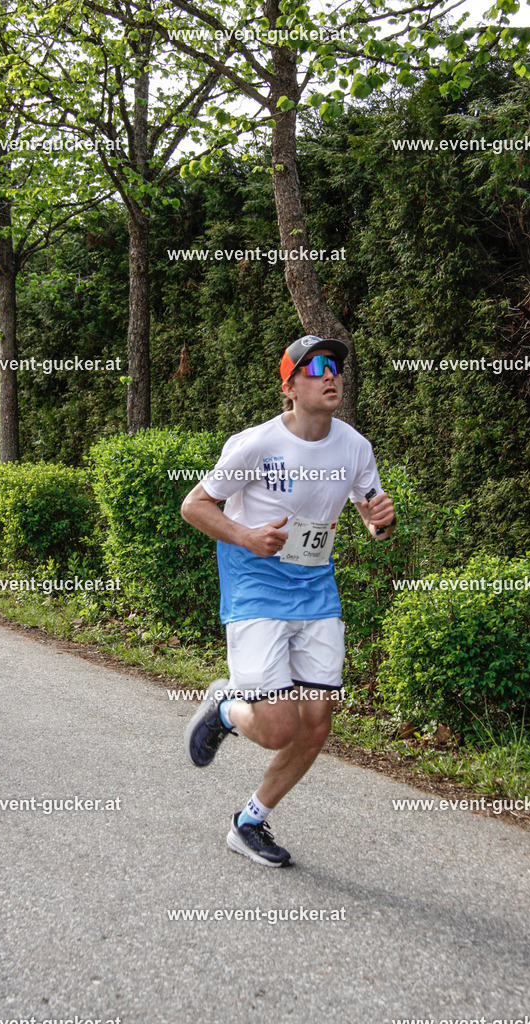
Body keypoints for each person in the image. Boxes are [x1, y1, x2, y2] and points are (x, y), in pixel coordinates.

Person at [181, 335, 395, 867]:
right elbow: (195, 506)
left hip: (314, 582)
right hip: (255, 583)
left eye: (337, 366)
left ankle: (249, 822)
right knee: (278, 727)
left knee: (317, 722)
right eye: (317, 367)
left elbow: (372, 516)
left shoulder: (354, 447)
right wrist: (247, 536)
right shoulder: (256, 444)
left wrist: (379, 523)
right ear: (290, 386)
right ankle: (226, 709)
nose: (331, 374)